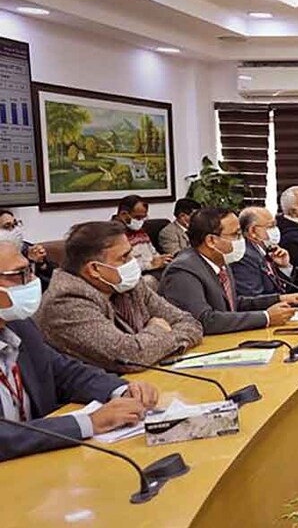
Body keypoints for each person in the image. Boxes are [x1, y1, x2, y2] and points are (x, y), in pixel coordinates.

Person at [0, 239, 159, 462]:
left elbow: (65, 372)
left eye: (31, 270)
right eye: (20, 274)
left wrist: (122, 390)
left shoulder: (19, 325)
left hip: (37, 466)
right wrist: (89, 423)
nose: (33, 280)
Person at [34, 222, 203, 373]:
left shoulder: (129, 285)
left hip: (148, 380)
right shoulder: (67, 301)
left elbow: (190, 323)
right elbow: (130, 357)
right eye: (124, 257)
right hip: (94, 399)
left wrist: (155, 344)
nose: (133, 262)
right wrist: (158, 329)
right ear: (94, 269)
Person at [160, 208, 298, 335]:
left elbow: (232, 304)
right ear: (211, 241)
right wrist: (266, 317)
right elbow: (203, 320)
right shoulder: (183, 270)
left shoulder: (221, 261)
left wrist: (278, 299)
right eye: (236, 234)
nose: (242, 240)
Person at [232, 207, 295, 298]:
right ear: (252, 231)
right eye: (271, 226)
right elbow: (253, 299)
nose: (275, 230)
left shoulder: (264, 250)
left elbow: (282, 289)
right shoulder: (245, 256)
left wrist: (284, 267)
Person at [112, 195, 172, 273]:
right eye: (138, 218)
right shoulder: (112, 236)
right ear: (123, 214)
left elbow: (153, 253)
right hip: (137, 277)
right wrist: (150, 265)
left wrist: (162, 259)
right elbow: (122, 268)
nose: (141, 221)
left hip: (153, 271)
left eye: (143, 218)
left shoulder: (140, 232)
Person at [0, 210, 55, 290]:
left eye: (15, 224)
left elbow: (50, 283)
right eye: (7, 226)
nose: (15, 230)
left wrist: (40, 263)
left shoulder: (28, 249)